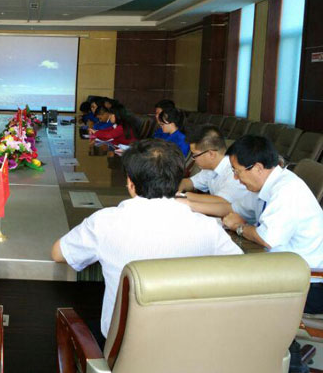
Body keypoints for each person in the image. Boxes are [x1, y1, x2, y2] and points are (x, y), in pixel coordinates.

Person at [51, 139, 242, 338]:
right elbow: (243, 272)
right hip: (189, 342)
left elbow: (58, 253)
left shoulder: (104, 223)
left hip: (123, 348)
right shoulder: (208, 228)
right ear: (177, 182)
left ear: (130, 183)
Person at [206, 135, 323, 314]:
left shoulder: (287, 190)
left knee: (222, 289)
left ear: (258, 168)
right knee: (219, 275)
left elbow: (267, 239)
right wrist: (187, 204)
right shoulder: (267, 185)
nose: (235, 178)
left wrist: (239, 227)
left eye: (237, 171)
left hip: (306, 287)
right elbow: (233, 208)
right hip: (283, 274)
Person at [177, 126, 252, 219]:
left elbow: (222, 202)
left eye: (195, 155)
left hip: (240, 222)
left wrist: (183, 196)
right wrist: (172, 189)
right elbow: (190, 182)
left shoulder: (234, 170)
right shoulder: (210, 168)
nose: (193, 159)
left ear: (211, 154)